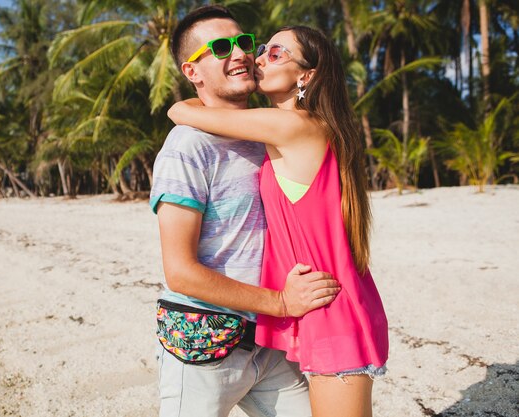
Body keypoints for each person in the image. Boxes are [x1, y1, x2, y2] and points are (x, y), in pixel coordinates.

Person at [168, 26, 389, 417]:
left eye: (275, 54)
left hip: (328, 307)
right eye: (264, 49)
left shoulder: (294, 126)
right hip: (321, 303)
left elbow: (179, 111)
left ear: (306, 76)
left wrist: (200, 85)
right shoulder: (288, 129)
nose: (257, 57)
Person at [149, 6, 342, 417]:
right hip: (205, 347)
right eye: (220, 47)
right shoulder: (187, 148)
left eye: (242, 42)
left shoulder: (269, 135)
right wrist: (282, 303)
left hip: (270, 343)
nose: (238, 53)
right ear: (193, 72)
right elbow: (179, 271)